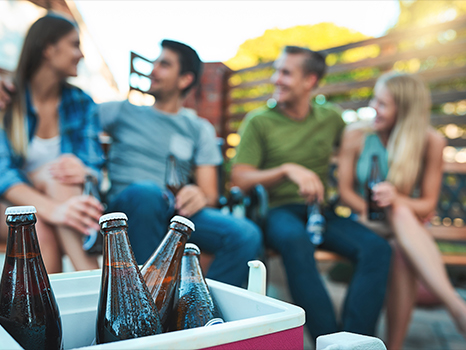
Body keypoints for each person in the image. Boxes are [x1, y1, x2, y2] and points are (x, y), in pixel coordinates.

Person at [231, 46, 392, 340]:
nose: (276, 78)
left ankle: (355, 342)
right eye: (276, 70)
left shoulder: (330, 118)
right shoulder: (259, 121)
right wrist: (286, 169)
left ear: (310, 81)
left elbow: (363, 143)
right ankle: (328, 340)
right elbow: (239, 178)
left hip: (321, 211)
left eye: (286, 72)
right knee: (296, 240)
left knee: (378, 250)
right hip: (278, 212)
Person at [98, 39, 262, 287]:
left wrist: (198, 193)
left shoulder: (199, 128)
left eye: (164, 65)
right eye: (155, 63)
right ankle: (147, 301)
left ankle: (202, 311)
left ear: (185, 80)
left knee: (245, 235)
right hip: (129, 210)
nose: (153, 70)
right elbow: (67, 114)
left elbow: (210, 194)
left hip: (174, 209)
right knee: (148, 193)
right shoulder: (121, 112)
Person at [338, 72, 466, 349]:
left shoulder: (430, 141)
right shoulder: (356, 134)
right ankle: (456, 306)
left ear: (404, 110)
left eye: (383, 104)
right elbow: (345, 192)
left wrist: (396, 199)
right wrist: (369, 208)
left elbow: (428, 204)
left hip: (405, 228)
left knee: (399, 242)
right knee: (400, 217)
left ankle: (393, 345)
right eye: (375, 99)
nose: (373, 107)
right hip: (363, 221)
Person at [0, 14, 104, 273]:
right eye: (74, 44)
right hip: (6, 202)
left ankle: (59, 306)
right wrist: (55, 209)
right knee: (38, 217)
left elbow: (94, 167)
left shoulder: (81, 103)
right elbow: (2, 174)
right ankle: (93, 282)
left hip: (58, 198)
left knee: (42, 220)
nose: (80, 54)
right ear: (48, 48)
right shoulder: (7, 98)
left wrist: (86, 171)